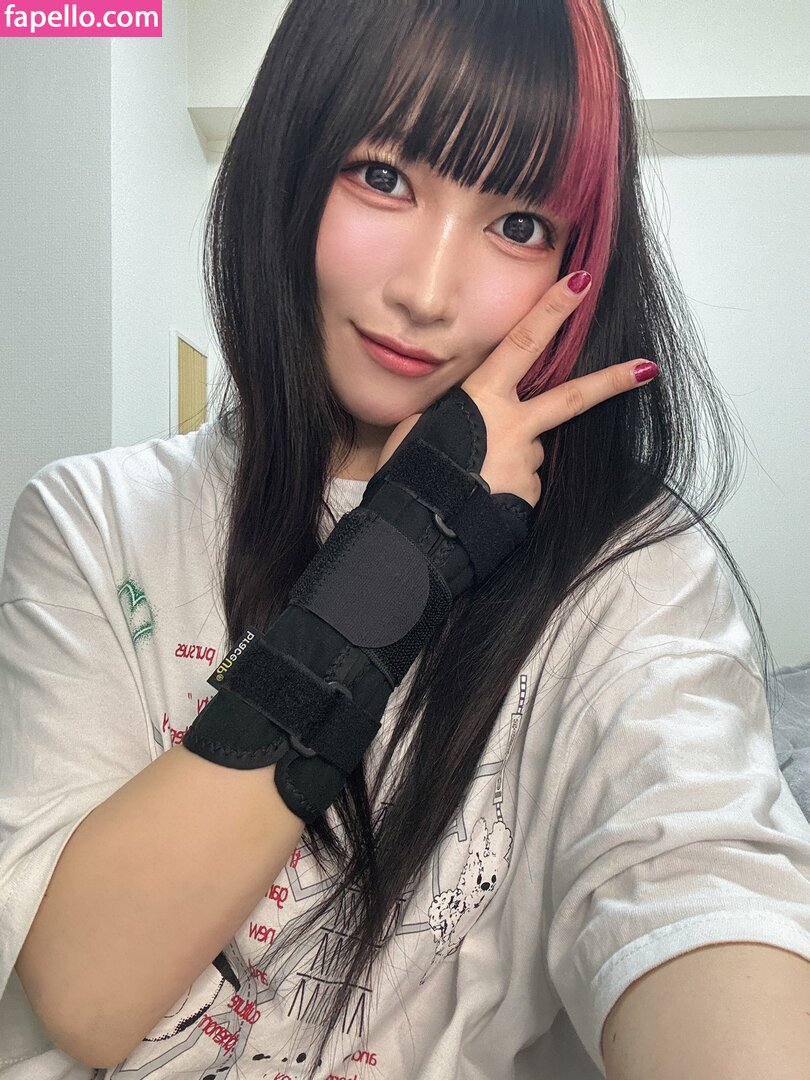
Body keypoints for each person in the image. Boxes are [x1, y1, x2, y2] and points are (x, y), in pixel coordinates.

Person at [2, 1, 810, 1078]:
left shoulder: (631, 571)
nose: (426, 293)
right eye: (383, 176)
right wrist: (407, 544)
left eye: (520, 225)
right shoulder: (89, 518)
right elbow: (87, 995)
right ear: (289, 160)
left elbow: (695, 871)